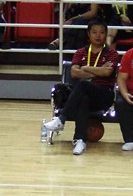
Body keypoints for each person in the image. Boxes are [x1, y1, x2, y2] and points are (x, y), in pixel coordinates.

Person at [43, 19, 119, 156]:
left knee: (83, 84)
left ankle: (61, 118)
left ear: (106, 34)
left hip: (104, 95)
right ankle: (80, 140)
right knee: (83, 98)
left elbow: (107, 72)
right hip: (84, 95)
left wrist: (86, 68)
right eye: (94, 32)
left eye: (102, 33)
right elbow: (74, 72)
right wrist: (98, 70)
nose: (98, 36)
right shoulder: (80, 52)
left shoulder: (111, 53)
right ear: (88, 34)